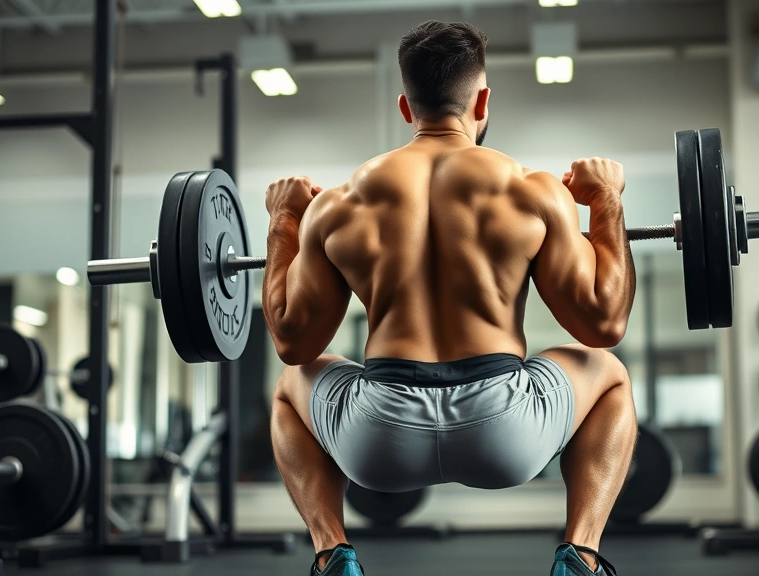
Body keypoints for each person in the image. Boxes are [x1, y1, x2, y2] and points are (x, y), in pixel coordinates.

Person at [263, 20, 638, 576]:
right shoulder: (531, 190)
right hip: (508, 432)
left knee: (293, 385)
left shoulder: (339, 205)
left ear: (404, 106)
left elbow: (293, 342)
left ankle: (331, 553)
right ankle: (580, 554)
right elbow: (604, 322)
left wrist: (283, 221)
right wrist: (606, 200)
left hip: (378, 437)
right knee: (607, 371)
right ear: (482, 100)